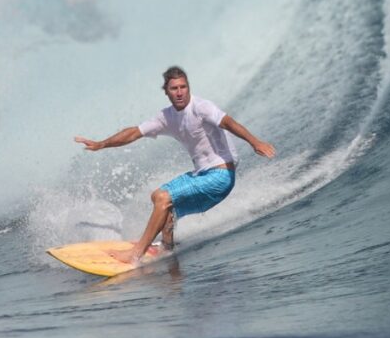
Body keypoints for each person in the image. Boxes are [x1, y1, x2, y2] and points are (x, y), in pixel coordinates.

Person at [74, 65, 276, 265]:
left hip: (221, 175)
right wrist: (102, 144)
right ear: (166, 92)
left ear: (188, 87)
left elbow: (229, 122)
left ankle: (135, 254)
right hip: (202, 175)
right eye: (174, 88)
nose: (179, 92)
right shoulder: (167, 117)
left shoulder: (201, 107)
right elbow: (134, 132)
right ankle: (167, 248)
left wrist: (255, 142)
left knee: (163, 197)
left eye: (183, 87)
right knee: (161, 201)